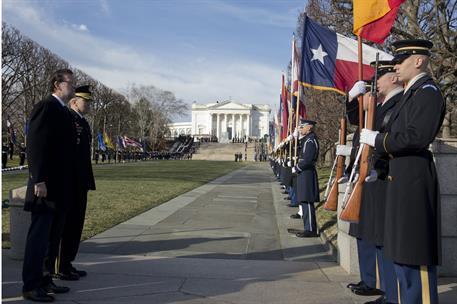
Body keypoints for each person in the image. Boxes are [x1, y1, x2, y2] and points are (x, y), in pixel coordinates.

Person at [360, 39, 445, 304]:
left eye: (401, 60)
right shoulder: (412, 93)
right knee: (399, 251)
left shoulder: (428, 92)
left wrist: (378, 141)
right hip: (399, 176)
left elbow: (416, 136)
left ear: (418, 60)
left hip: (413, 179)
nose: (396, 66)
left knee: (413, 254)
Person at [344, 62, 404, 304]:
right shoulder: (379, 106)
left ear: (393, 79)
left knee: (379, 237)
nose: (375, 83)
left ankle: (388, 291)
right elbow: (355, 119)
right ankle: (373, 282)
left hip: (382, 178)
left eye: (380, 77)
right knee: (367, 233)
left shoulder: (397, 104)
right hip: (368, 176)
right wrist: (351, 98)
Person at [22, 69, 77, 302]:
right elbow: (35, 144)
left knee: (50, 238)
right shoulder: (46, 106)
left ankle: (45, 280)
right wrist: (39, 179)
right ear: (57, 84)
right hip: (45, 185)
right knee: (38, 237)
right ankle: (31, 285)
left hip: (59, 186)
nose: (73, 87)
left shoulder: (62, 111)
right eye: (70, 83)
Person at [55, 85, 96, 281]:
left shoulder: (83, 122)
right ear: (74, 101)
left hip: (80, 180)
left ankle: (67, 262)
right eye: (85, 101)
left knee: (76, 224)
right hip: (68, 180)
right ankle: (59, 266)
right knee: (65, 225)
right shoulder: (66, 118)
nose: (88, 105)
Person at [292, 119, 320, 238]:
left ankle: (310, 229)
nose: (300, 129)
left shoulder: (310, 141)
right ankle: (307, 227)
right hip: (304, 173)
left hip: (307, 173)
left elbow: (308, 160)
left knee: (307, 201)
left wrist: (297, 168)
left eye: (302, 127)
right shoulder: (307, 140)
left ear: (309, 127)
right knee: (304, 200)